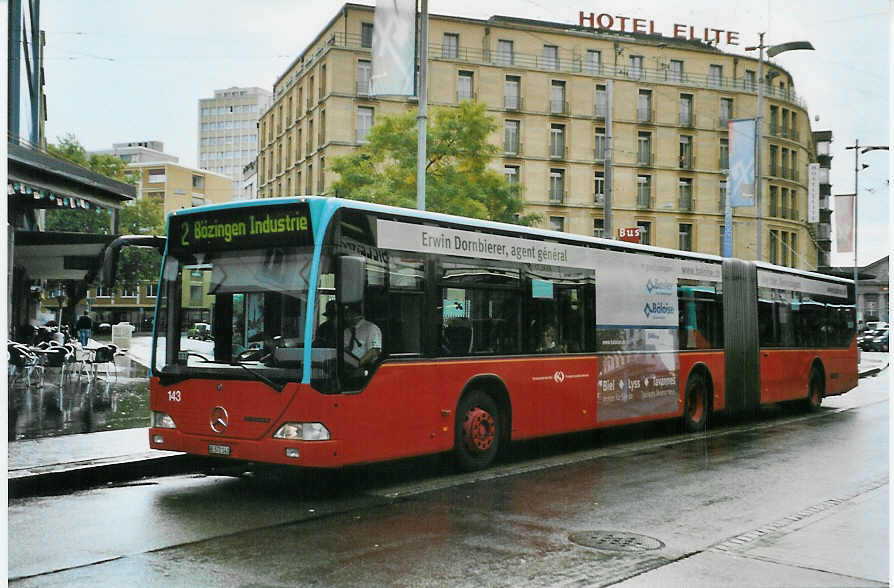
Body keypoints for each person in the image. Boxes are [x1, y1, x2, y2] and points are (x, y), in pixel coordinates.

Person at [343, 305, 382, 369]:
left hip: (366, 368)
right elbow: (345, 350)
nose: (346, 317)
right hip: (348, 369)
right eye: (345, 314)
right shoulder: (346, 331)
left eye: (348, 314)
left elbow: (374, 351)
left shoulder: (371, 328)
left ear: (356, 314)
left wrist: (357, 364)